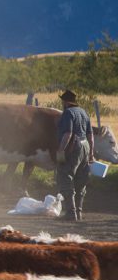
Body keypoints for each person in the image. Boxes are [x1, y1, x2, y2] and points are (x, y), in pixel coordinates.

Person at [55, 89, 94, 221]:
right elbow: (90, 135)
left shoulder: (68, 113)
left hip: (74, 146)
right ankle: (79, 212)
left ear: (66, 102)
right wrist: (91, 153)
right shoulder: (84, 112)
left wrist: (61, 149)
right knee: (81, 179)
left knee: (66, 176)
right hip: (86, 146)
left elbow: (68, 133)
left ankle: (71, 213)